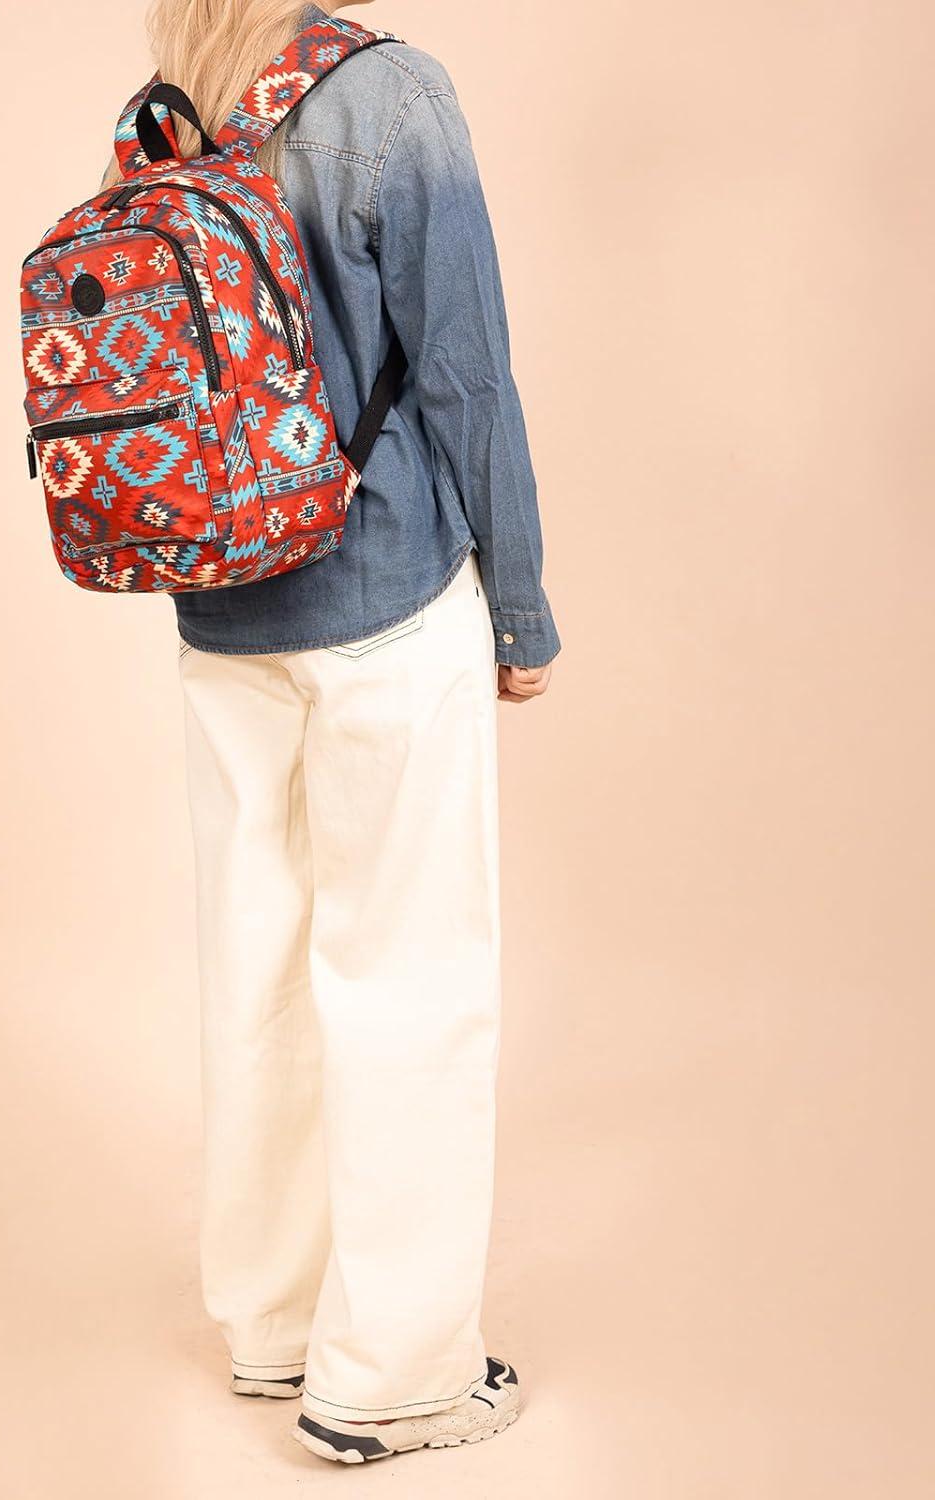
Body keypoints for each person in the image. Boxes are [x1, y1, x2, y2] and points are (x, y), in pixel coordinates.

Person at [115, 0, 560, 1464]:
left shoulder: (172, 100)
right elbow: (466, 372)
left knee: (257, 968)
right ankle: (393, 1379)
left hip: (220, 604)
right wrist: (520, 608)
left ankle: (271, 1324)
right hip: (385, 598)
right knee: (410, 975)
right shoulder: (392, 96)